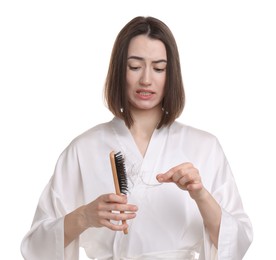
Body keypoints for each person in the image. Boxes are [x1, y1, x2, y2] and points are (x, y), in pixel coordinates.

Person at [21, 16, 253, 260]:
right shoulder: (84, 148)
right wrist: (85, 217)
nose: (146, 79)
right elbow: (35, 246)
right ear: (119, 70)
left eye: (159, 68)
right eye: (134, 66)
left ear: (170, 74)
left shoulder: (204, 147)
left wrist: (201, 195)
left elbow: (237, 242)